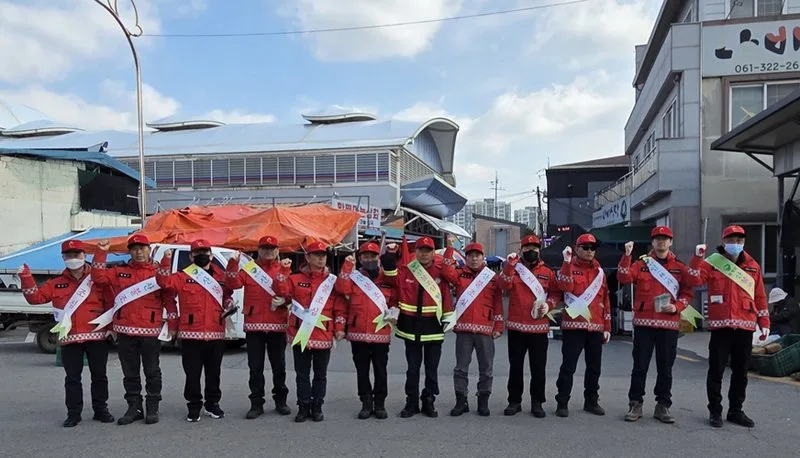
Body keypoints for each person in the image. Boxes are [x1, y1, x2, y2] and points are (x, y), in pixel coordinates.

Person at [19, 240, 115, 427]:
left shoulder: (98, 280)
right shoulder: (56, 284)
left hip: (97, 335)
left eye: (77, 254)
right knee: (72, 378)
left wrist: (111, 327)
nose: (73, 259)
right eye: (69, 255)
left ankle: (101, 410)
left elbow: (111, 303)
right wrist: (26, 277)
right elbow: (35, 298)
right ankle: (73, 413)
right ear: (63, 258)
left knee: (100, 376)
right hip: (69, 338)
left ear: (84, 256)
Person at [617, 226, 702, 424]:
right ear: (652, 242)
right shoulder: (642, 264)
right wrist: (627, 256)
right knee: (640, 366)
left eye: (665, 239)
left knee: (666, 368)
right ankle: (635, 403)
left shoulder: (679, 267)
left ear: (671, 242)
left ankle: (663, 405)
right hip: (644, 324)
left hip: (668, 325)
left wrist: (677, 307)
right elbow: (624, 277)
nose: (661, 242)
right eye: (657, 239)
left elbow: (690, 290)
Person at [90, 235, 178, 426]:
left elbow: (170, 301)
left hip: (150, 331)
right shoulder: (119, 271)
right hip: (125, 331)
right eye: (134, 248)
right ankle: (134, 408)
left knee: (152, 371)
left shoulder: (160, 272)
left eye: (142, 248)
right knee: (130, 373)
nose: (139, 252)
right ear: (129, 251)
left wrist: (172, 326)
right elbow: (97, 278)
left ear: (149, 250)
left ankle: (152, 408)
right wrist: (101, 252)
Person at [690, 225, 769, 428]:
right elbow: (694, 280)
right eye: (732, 240)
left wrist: (764, 322)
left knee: (741, 371)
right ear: (724, 242)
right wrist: (698, 258)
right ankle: (715, 411)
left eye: (739, 240)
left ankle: (736, 410)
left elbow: (759, 296)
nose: (736, 244)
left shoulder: (752, 265)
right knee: (716, 370)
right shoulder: (712, 263)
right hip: (721, 326)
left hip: (745, 325)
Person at [156, 240, 236, 423]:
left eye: (205, 252)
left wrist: (229, 304)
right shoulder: (182, 276)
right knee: (192, 374)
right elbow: (163, 282)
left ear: (211, 255)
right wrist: (165, 260)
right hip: (191, 334)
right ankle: (194, 406)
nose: (202, 255)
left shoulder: (221, 276)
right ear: (191, 256)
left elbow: (231, 290)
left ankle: (212, 404)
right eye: (197, 252)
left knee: (214, 372)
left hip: (215, 332)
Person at [380, 236, 458, 418]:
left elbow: (448, 293)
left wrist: (447, 319)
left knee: (431, 369)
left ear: (433, 253)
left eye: (428, 250)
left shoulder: (441, 273)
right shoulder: (406, 271)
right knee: (412, 368)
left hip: (434, 328)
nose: (424, 254)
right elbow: (390, 276)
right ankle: (411, 401)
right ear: (416, 252)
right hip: (410, 327)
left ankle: (429, 400)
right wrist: (390, 255)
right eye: (421, 250)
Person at [275, 241, 346, 423]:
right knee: (301, 373)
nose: (321, 258)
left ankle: (317, 406)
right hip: (301, 333)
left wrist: (339, 328)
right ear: (307, 257)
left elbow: (339, 308)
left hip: (323, 334)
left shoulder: (332, 281)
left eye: (323, 255)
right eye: (317, 255)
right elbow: (281, 291)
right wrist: (283, 271)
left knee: (320, 374)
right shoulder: (294, 278)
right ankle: (303, 405)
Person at [226, 235, 292, 419]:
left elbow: (292, 295)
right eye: (264, 248)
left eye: (272, 248)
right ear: (259, 250)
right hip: (254, 326)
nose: (268, 251)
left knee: (279, 366)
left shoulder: (284, 269)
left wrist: (285, 300)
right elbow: (233, 283)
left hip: (277, 326)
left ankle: (281, 401)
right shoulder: (249, 269)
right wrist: (232, 264)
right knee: (255, 368)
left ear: (278, 251)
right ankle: (256, 403)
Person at [497, 235, 561, 418]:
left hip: (539, 328)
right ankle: (514, 401)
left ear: (539, 250)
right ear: (521, 250)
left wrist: (549, 304)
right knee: (515, 367)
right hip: (517, 327)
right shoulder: (513, 269)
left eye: (534, 248)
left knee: (538, 368)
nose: (530, 251)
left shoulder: (548, 272)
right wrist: (509, 266)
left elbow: (556, 294)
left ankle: (537, 402)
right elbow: (503, 285)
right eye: (527, 248)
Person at [337, 241, 398, 420]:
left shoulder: (387, 279)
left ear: (378, 258)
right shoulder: (354, 278)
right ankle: (365, 402)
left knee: (380, 369)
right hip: (358, 333)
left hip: (380, 334)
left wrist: (394, 313)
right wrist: (347, 266)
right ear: (360, 259)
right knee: (362, 370)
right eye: (366, 257)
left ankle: (379, 403)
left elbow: (395, 300)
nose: (369, 259)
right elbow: (341, 289)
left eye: (373, 256)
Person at [441, 242, 503, 417]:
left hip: (485, 329)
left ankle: (483, 401)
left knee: (486, 368)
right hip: (464, 329)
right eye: (470, 255)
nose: (474, 258)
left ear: (483, 257)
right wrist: (449, 248)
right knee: (461, 368)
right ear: (466, 258)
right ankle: (461, 401)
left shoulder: (491, 277)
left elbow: (497, 303)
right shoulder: (459, 274)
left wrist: (498, 325)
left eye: (477, 255)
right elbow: (446, 271)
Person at [554, 233, 611, 418]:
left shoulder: (600, 272)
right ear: (577, 248)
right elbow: (565, 287)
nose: (589, 251)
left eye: (592, 248)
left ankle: (591, 401)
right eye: (585, 247)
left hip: (595, 327)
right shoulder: (568, 267)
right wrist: (566, 262)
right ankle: (562, 402)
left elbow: (606, 299)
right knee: (568, 367)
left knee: (594, 367)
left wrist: (607, 326)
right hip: (574, 326)